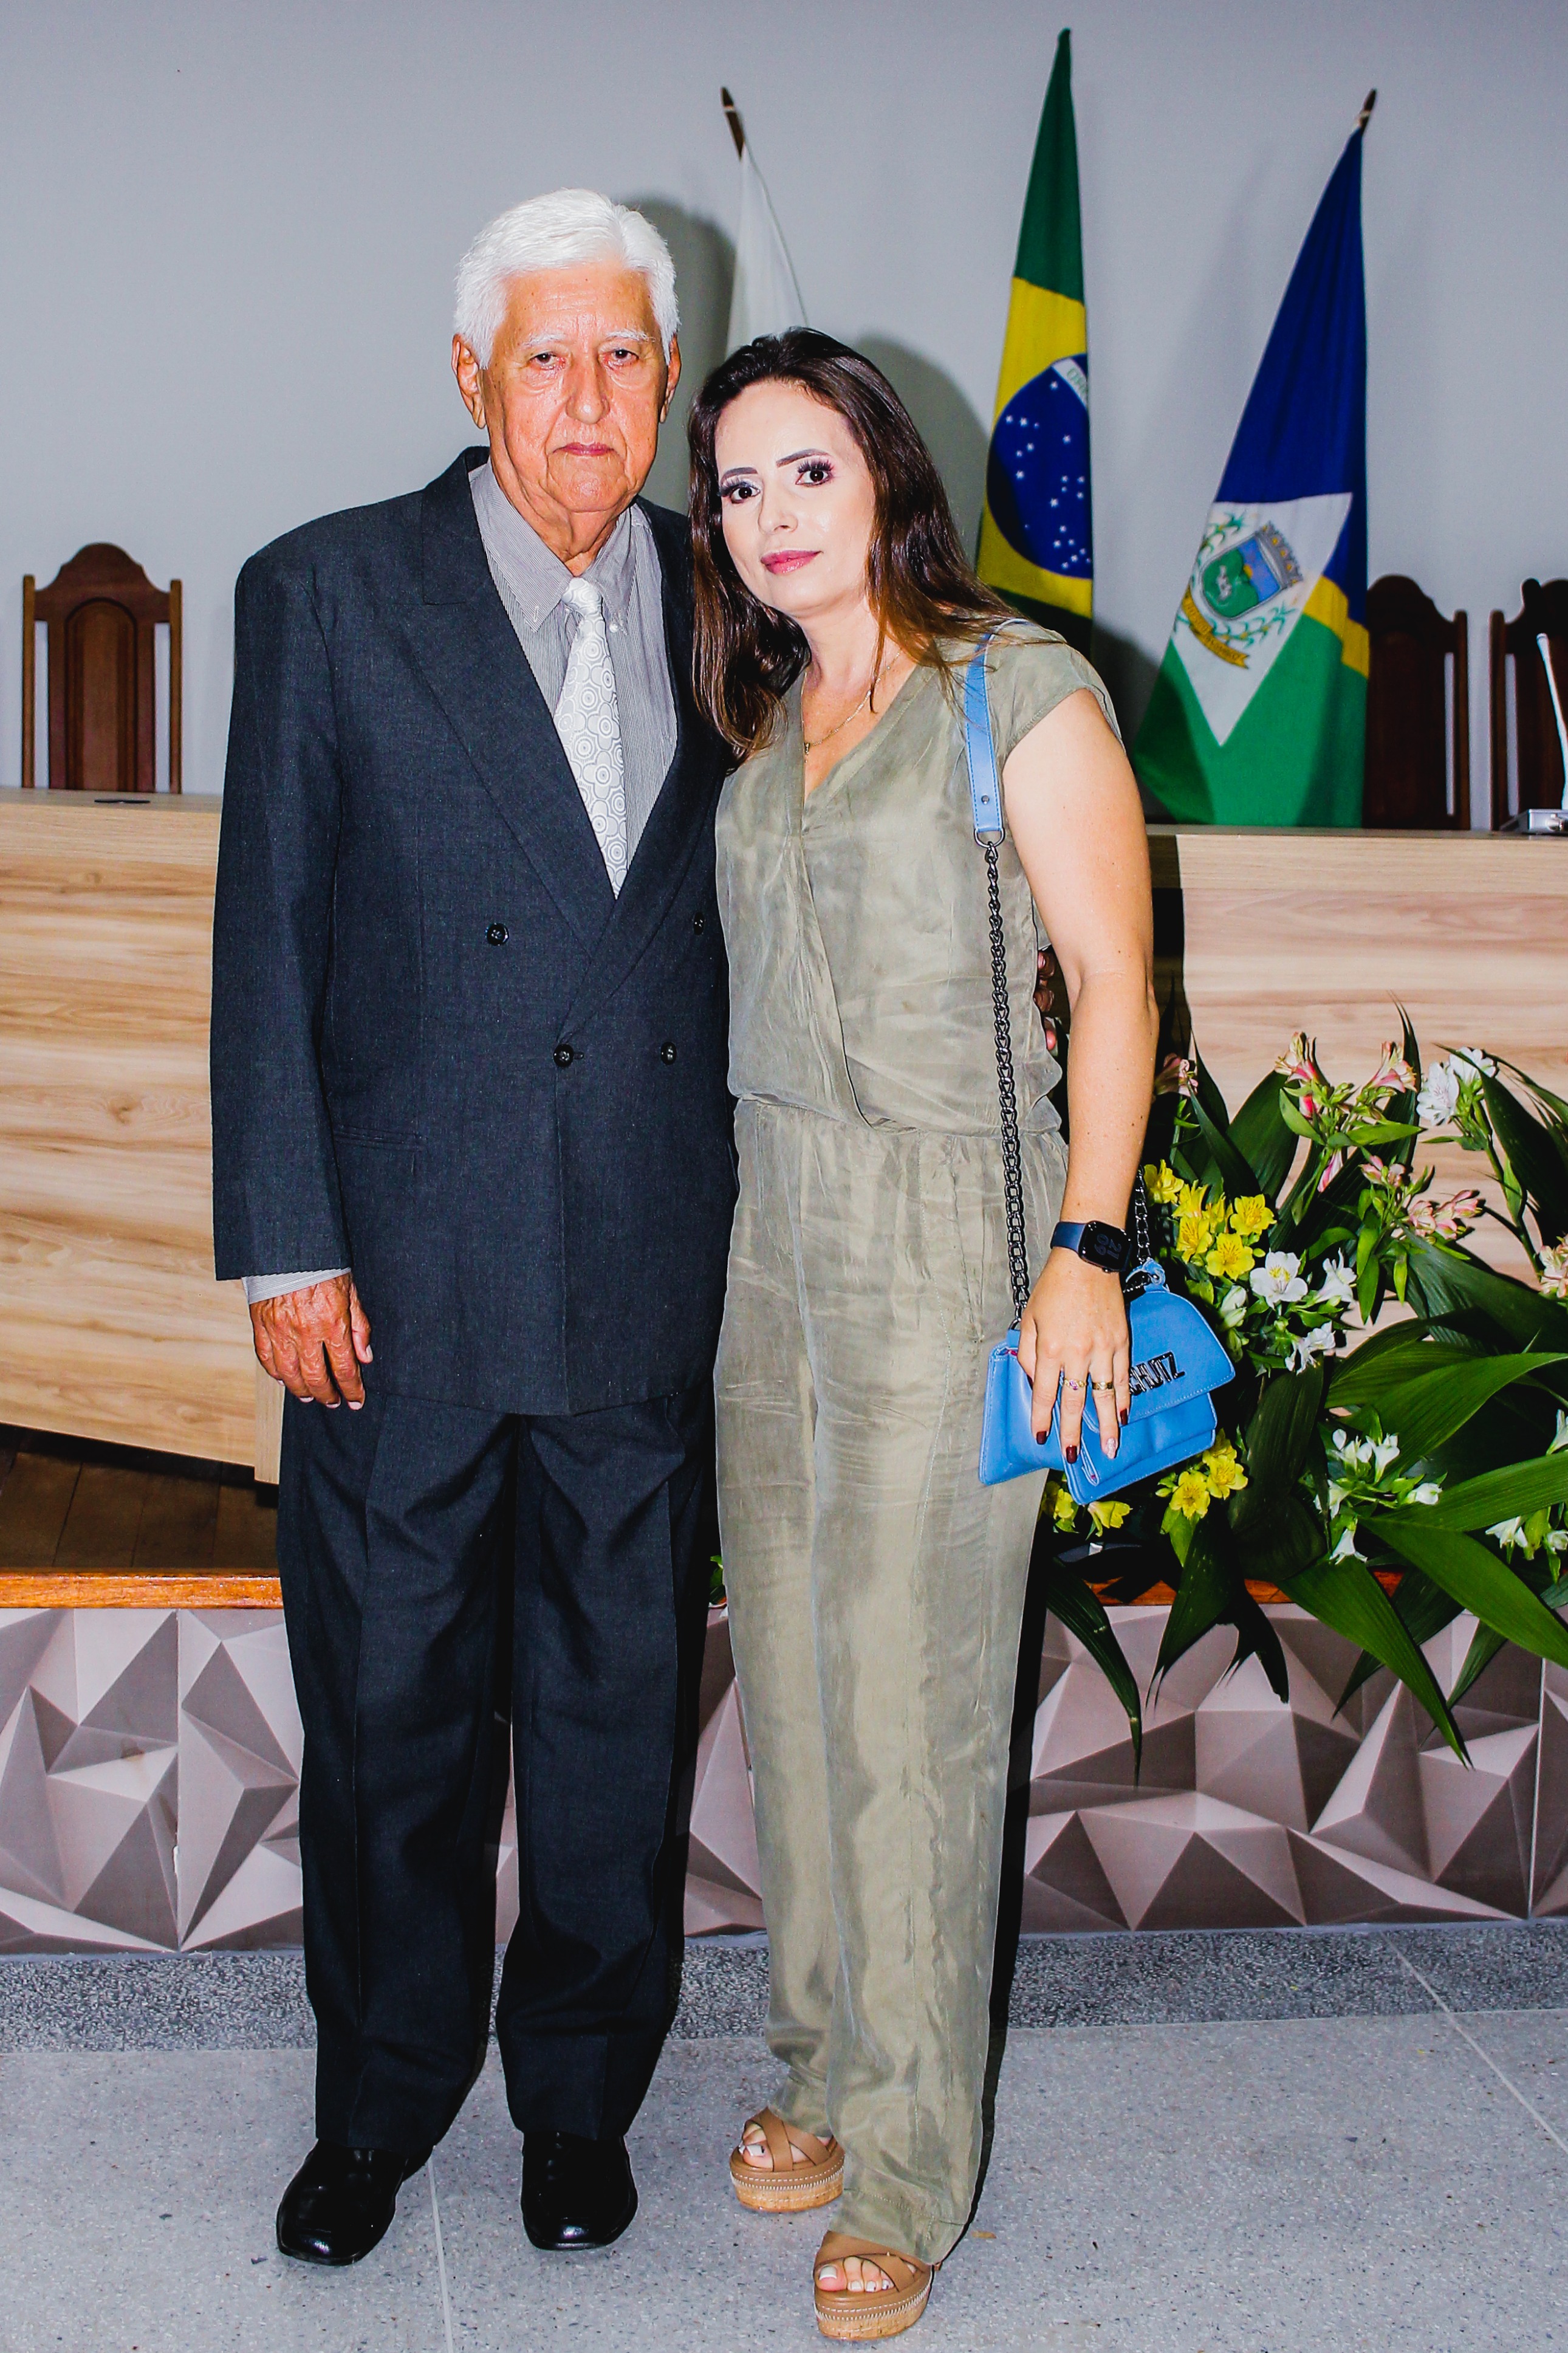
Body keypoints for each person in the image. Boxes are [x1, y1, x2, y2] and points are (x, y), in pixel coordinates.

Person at [210, 190, 737, 2269]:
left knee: (615, 1721)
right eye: (546, 356)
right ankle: (377, 2104)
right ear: (469, 375)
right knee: (392, 1722)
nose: (588, 398)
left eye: (623, 356)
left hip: (645, 1265)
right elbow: (268, 937)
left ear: (669, 377)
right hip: (398, 1281)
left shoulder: (739, 600)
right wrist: (286, 1244)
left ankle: (580, 2100)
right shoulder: (329, 592)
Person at [690, 332, 1157, 2340]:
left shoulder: (1013, 687)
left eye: (807, 469)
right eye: (738, 489)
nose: (772, 517)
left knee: (921, 1705)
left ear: (884, 469)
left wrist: (1085, 1250)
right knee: (799, 1692)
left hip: (952, 1240)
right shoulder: (771, 720)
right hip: (771, 1249)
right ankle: (822, 2063)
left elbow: (1116, 984)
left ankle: (906, 2161)